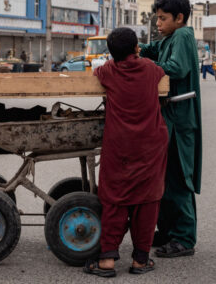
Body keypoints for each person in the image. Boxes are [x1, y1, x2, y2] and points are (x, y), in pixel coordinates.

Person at [84, 28, 167, 277]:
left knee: (114, 197)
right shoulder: (151, 69)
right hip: (151, 145)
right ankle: (140, 260)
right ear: (137, 49)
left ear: (111, 53)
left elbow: (98, 71)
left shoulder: (108, 70)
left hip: (120, 146)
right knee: (147, 198)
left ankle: (107, 260)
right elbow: (162, 72)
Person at [139, 0, 201, 258]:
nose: (158, 24)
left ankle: (184, 238)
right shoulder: (169, 38)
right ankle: (166, 231)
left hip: (180, 119)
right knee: (162, 179)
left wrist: (146, 66)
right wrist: (134, 48)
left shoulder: (184, 36)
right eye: (157, 19)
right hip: (168, 119)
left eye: (163, 18)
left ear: (179, 17)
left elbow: (176, 68)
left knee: (178, 180)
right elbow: (152, 49)